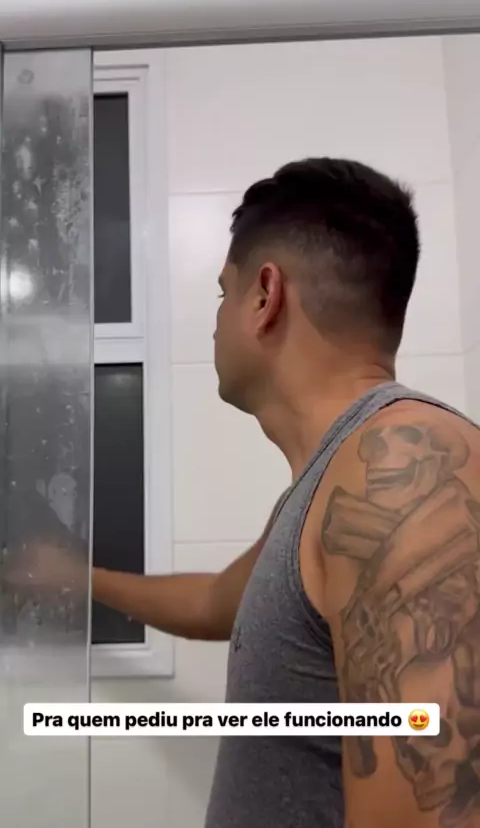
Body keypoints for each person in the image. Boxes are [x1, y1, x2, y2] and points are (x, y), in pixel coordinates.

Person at [12, 157, 480, 828]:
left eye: (222, 293)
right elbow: (215, 603)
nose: (214, 323)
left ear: (265, 295)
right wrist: (75, 578)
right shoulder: (329, 489)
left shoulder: (406, 470)